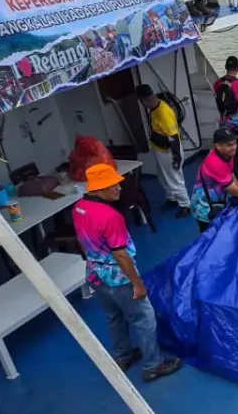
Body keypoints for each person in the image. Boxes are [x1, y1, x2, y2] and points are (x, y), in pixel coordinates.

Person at [72, 164, 182, 382]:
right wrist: (137, 284)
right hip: (118, 279)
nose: (119, 188)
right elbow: (121, 255)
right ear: (100, 187)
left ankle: (123, 356)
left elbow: (82, 241)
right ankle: (153, 365)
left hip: (94, 274)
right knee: (144, 318)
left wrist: (94, 261)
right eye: (113, 185)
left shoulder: (79, 208)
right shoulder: (110, 216)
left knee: (114, 316)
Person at [136, 85, 190, 218]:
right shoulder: (154, 108)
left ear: (143, 101)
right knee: (162, 176)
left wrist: (176, 157)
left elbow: (173, 138)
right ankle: (172, 198)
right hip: (159, 150)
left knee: (175, 179)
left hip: (169, 152)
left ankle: (185, 205)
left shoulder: (163, 113)